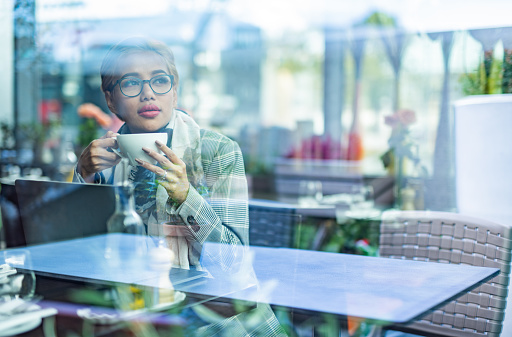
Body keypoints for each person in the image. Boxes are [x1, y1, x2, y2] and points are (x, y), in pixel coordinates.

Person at [73, 36, 248, 271]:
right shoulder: (103, 159)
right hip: (129, 298)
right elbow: (77, 254)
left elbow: (234, 265)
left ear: (174, 92)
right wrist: (84, 176)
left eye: (159, 80)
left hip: (204, 302)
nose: (148, 93)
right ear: (111, 101)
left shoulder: (218, 151)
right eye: (132, 83)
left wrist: (187, 198)